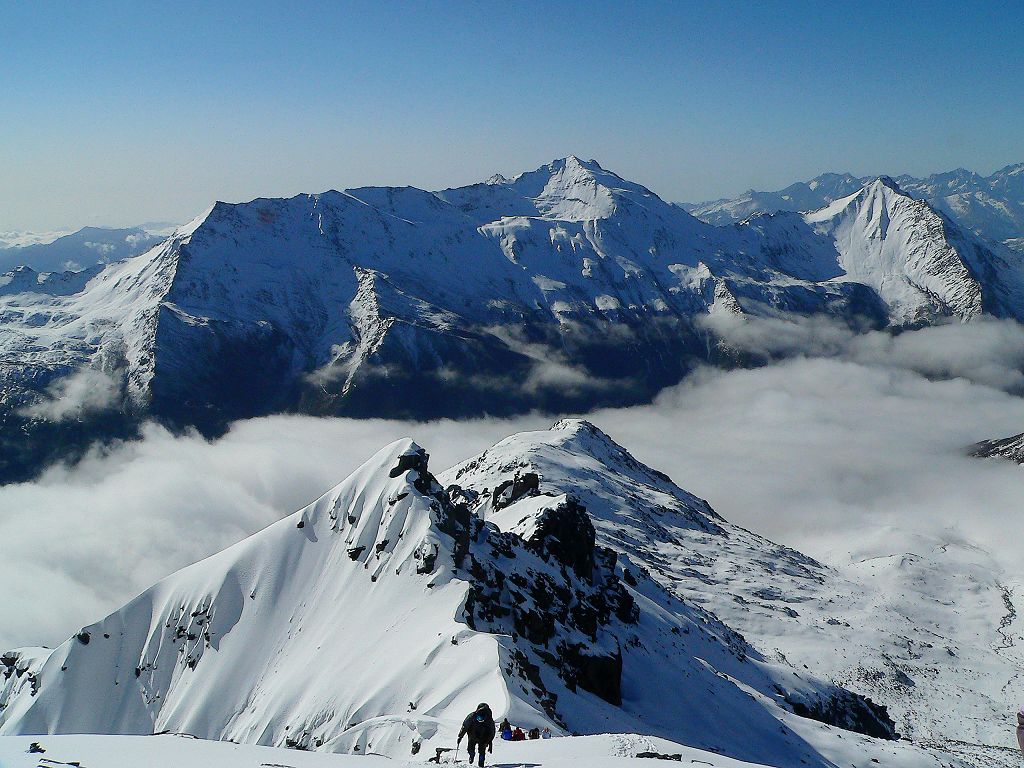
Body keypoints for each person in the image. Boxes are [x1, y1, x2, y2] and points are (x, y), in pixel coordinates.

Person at [458, 703, 495, 768]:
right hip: (472, 736)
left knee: (482, 752)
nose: (480, 720)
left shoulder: (489, 720)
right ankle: (472, 756)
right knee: (470, 749)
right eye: (479, 718)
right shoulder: (471, 716)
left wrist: (489, 742)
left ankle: (481, 764)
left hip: (483, 738)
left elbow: (492, 732)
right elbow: (465, 726)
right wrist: (460, 736)